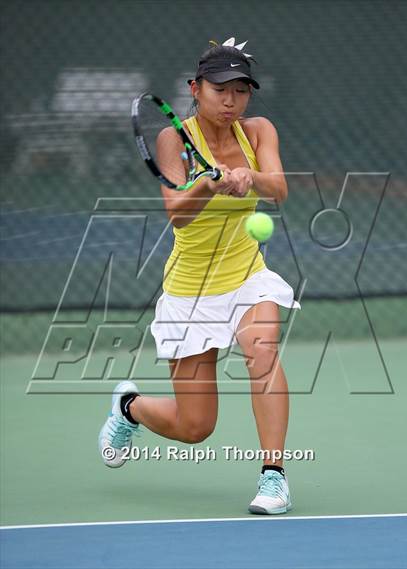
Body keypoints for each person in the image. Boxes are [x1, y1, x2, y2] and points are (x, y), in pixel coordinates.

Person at [99, 38, 300, 515]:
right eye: (220, 89)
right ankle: (130, 408)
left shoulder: (258, 131)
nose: (232, 101)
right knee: (195, 427)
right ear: (196, 89)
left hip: (247, 274)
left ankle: (274, 477)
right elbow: (178, 215)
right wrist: (209, 184)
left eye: (241, 90)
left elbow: (281, 190)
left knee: (262, 350)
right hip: (190, 292)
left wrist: (249, 177)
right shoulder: (175, 139)